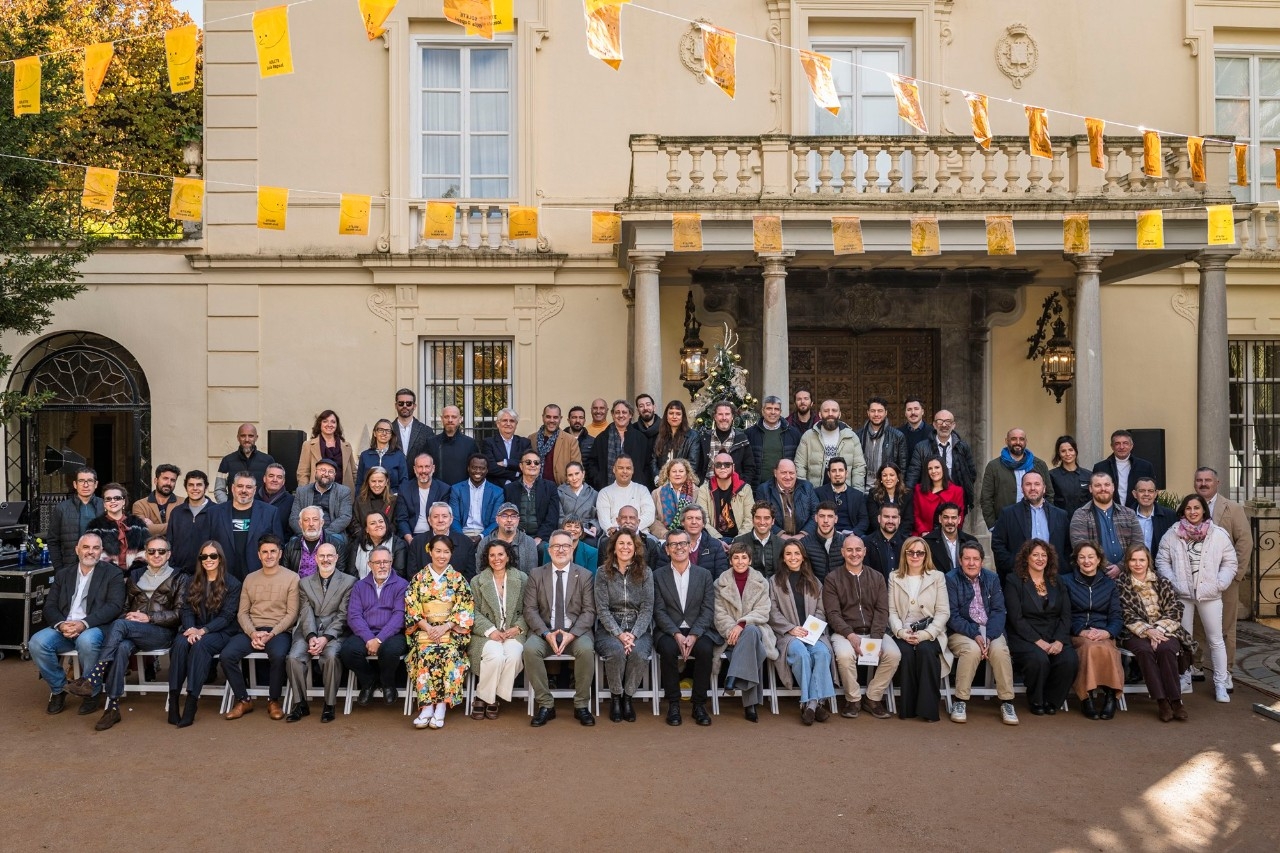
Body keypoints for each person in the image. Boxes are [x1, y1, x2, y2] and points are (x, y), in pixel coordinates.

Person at [66, 536, 185, 730]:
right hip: (133, 631)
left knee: (120, 625)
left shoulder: (180, 577)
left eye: (161, 551)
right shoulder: (136, 576)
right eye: (152, 551)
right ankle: (112, 707)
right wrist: (130, 617)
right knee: (121, 646)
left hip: (162, 633)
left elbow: (180, 613)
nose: (156, 555)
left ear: (168, 554)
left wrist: (149, 617)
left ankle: (94, 675)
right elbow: (123, 608)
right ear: (145, 554)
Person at [30, 534, 126, 715]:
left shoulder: (113, 573)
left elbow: (114, 606)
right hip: (64, 628)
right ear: (77, 550)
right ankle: (59, 689)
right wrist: (60, 625)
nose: (90, 552)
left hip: (95, 628)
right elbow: (49, 605)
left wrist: (84, 623)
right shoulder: (63, 574)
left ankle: (92, 692)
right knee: (37, 642)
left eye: (95, 548)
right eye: (86, 547)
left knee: (87, 641)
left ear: (101, 551)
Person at [1156, 494, 1236, 703]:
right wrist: (1173, 583)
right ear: (1183, 511)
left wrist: (1219, 583)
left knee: (1216, 640)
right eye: (1189, 508)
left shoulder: (1218, 534)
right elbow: (1162, 561)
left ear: (1203, 511)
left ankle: (1220, 684)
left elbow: (1230, 562)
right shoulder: (1172, 534)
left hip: (1210, 595)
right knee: (1184, 640)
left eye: (1197, 508)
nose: (1193, 512)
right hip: (1182, 595)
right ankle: (1184, 678)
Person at [523, 529, 598, 727]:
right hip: (545, 631)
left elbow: (589, 611)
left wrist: (571, 634)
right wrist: (546, 633)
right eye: (556, 546)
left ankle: (581, 705)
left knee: (586, 649)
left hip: (574, 632)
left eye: (566, 545)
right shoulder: (536, 574)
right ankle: (546, 704)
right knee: (530, 649)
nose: (561, 550)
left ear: (572, 548)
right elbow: (530, 610)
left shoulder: (584, 575)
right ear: (549, 550)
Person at [221, 535, 300, 721]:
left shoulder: (292, 578)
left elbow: (292, 614)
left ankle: (273, 700)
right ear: (258, 555)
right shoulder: (250, 578)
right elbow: (242, 613)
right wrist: (253, 633)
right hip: (253, 630)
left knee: (279, 655)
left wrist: (271, 633)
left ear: (280, 554)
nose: (269, 555)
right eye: (265, 552)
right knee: (227, 656)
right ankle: (244, 699)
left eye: (273, 551)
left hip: (278, 630)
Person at [823, 535, 898, 720]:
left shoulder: (877, 577)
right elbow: (833, 614)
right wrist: (850, 635)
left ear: (864, 552)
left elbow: (882, 611)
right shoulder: (832, 578)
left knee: (894, 654)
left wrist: (876, 639)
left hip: (874, 632)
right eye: (849, 550)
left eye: (858, 550)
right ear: (842, 552)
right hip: (844, 633)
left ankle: (873, 698)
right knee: (844, 655)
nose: (854, 554)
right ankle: (853, 699)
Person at [1117, 544, 1194, 722]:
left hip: (1165, 629)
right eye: (1133, 560)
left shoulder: (1161, 581)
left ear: (1148, 561)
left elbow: (1175, 608)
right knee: (1144, 651)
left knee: (1165, 649)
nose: (1137, 564)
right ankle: (1162, 702)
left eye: (1142, 560)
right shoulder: (1121, 584)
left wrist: (1158, 630)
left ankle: (1176, 701)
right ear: (1127, 562)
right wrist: (1147, 631)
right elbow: (1124, 613)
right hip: (1134, 632)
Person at [169, 540, 242, 727]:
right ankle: (174, 699)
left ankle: (192, 702)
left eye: (213, 556)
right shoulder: (193, 580)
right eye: (204, 556)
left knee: (201, 645)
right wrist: (191, 629)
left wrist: (203, 630)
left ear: (220, 558)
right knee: (179, 643)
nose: (208, 559)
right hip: (195, 628)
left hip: (221, 632)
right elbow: (186, 609)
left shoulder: (232, 583)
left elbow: (227, 616)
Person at [945, 541, 1019, 726]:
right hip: (962, 631)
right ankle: (960, 701)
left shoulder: (992, 578)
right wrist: (976, 634)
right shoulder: (950, 579)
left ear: (982, 561)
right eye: (967, 559)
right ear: (960, 561)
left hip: (990, 631)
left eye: (975, 559)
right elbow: (952, 615)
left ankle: (1007, 702)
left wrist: (988, 636)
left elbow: (999, 611)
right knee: (971, 650)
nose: (971, 563)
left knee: (1001, 651)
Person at [405, 534, 474, 729]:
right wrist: (428, 628)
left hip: (451, 631)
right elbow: (412, 606)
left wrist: (445, 627)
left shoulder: (458, 579)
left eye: (446, 552)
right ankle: (426, 706)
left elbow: (465, 607)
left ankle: (442, 706)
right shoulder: (419, 578)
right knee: (423, 653)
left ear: (451, 554)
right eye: (438, 551)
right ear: (430, 551)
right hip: (424, 629)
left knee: (449, 654)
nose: (441, 556)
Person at [652, 530, 720, 726]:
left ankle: (699, 704)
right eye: (673, 544)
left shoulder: (704, 575)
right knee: (667, 649)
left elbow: (708, 609)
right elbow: (659, 610)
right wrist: (675, 633)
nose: (679, 547)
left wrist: (694, 635)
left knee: (706, 649)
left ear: (690, 546)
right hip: (669, 630)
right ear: (667, 550)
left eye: (683, 543)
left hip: (697, 630)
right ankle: (673, 703)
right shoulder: (657, 576)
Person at [1004, 539, 1078, 715]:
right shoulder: (1013, 580)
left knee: (1069, 661)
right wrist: (1038, 641)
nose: (1040, 559)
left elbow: (1066, 615)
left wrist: (1060, 640)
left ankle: (1052, 700)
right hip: (1025, 636)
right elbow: (1016, 618)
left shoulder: (1057, 581)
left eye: (1044, 555)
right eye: (1035, 554)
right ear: (1026, 558)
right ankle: (1036, 700)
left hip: (1055, 633)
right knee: (1039, 660)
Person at [1194, 466, 1253, 684]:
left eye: (1208, 480)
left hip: (1226, 580)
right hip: (1196, 580)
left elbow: (1245, 542)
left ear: (1217, 483)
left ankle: (1226, 671)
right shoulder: (1190, 507)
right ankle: (1195, 664)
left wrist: (1235, 575)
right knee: (1196, 625)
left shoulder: (1233, 508)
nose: (1203, 484)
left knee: (1226, 627)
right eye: (1199, 480)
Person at [285, 541, 355, 723]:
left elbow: (343, 614)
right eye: (322, 556)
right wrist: (311, 637)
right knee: (293, 658)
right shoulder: (305, 583)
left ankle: (329, 704)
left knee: (331, 657)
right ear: (315, 558)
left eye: (330, 555)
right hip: (309, 631)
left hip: (335, 633)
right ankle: (300, 704)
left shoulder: (349, 581)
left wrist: (325, 638)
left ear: (337, 558)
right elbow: (305, 612)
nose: (326, 559)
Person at [768, 541, 836, 724]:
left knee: (822, 653)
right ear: (783, 558)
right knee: (801, 654)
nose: (793, 557)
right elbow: (772, 611)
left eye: (796, 553)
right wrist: (791, 628)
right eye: (788, 554)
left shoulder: (814, 581)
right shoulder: (774, 582)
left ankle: (810, 704)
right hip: (787, 635)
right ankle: (815, 703)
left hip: (813, 633)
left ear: (803, 556)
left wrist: (811, 629)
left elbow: (822, 610)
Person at [887, 536, 950, 722]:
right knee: (905, 653)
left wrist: (925, 634)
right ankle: (907, 709)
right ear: (904, 554)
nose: (915, 556)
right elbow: (891, 612)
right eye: (911, 552)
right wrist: (900, 632)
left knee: (926, 651)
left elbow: (943, 612)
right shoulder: (894, 577)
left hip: (931, 631)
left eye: (919, 552)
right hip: (903, 631)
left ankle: (928, 710)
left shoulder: (937, 577)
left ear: (925, 555)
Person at [593, 530, 654, 723]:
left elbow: (647, 608)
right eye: (621, 543)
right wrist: (620, 634)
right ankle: (616, 697)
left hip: (638, 626)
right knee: (616, 650)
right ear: (614, 547)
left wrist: (633, 635)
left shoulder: (645, 572)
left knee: (638, 652)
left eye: (629, 544)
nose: (625, 547)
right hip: (610, 626)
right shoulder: (603, 573)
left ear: (636, 549)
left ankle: (628, 698)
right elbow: (602, 609)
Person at [338, 547, 410, 708]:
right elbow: (354, 616)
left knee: (389, 651)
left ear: (391, 563)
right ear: (370, 564)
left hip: (393, 634)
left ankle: (387, 683)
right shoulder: (360, 586)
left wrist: (379, 639)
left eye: (386, 562)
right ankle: (368, 680)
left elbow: (399, 616)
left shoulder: (402, 585)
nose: (382, 565)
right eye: (378, 562)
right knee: (347, 651)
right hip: (366, 633)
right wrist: (369, 638)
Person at [1062, 541, 1125, 720]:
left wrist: (1107, 632)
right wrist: (1081, 631)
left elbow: (1116, 616)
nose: (1086, 561)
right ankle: (1086, 697)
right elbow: (1064, 614)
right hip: (1077, 633)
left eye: (1091, 557)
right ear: (1076, 560)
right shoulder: (1066, 581)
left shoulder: (1109, 584)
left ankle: (1111, 696)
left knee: (1105, 647)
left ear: (1099, 560)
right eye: (1082, 557)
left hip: (1103, 632)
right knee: (1089, 648)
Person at [713, 542, 776, 721]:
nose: (740, 561)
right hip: (728, 634)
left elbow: (764, 610)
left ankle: (733, 676)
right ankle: (750, 706)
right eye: (736, 557)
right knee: (751, 643)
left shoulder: (761, 582)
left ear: (750, 560)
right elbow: (719, 613)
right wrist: (732, 629)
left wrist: (742, 624)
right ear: (730, 560)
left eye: (744, 557)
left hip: (755, 628)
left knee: (752, 632)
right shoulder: (719, 583)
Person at [468, 540, 529, 720]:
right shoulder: (477, 581)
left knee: (515, 654)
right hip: (485, 635)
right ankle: (490, 698)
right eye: (492, 555)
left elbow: (530, 609)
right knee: (495, 656)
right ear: (487, 558)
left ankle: (487, 695)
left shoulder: (522, 578)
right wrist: (491, 631)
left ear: (508, 556)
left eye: (500, 554)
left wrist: (517, 628)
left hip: (514, 633)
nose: (497, 559)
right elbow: (472, 611)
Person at [991, 471, 1071, 582]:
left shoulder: (1060, 515)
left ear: (1044, 488)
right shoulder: (1008, 514)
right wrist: (1014, 565)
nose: (1033, 488)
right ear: (1022, 488)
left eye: (1037, 484)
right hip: (1020, 578)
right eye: (1028, 484)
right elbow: (997, 543)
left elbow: (1068, 546)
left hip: (1053, 577)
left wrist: (1063, 566)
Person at [209, 471, 286, 581]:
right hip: (222, 576)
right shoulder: (214, 513)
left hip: (259, 577)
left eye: (249, 487)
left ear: (254, 490)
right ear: (232, 488)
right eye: (240, 486)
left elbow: (279, 546)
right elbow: (207, 545)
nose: (244, 490)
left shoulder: (270, 512)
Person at [1069, 472, 1143, 576]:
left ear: (1113, 487)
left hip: (1128, 574)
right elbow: (1080, 546)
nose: (1103, 489)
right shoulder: (1080, 515)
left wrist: (1121, 566)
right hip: (1095, 576)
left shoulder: (1129, 513)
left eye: (1107, 485)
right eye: (1098, 485)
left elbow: (1138, 543)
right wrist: (1106, 567)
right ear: (1090, 488)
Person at [979, 428, 1054, 530]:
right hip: (1005, 523)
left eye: (1021, 439)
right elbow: (986, 498)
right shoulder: (994, 466)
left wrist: (1046, 518)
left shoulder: (1039, 465)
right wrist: (993, 525)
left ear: (1026, 442)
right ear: (1007, 441)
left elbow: (1049, 494)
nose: (1018, 442)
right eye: (1013, 439)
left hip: (1035, 521)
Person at [906, 410, 977, 511]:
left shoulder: (963, 447)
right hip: (929, 499)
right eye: (940, 421)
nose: (944, 425)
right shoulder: (921, 447)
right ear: (934, 425)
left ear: (953, 425)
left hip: (955, 499)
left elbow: (971, 474)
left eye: (948, 421)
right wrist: (908, 499)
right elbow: (913, 475)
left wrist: (962, 493)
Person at [794, 399, 866, 488]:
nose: (830, 414)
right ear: (820, 414)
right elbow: (800, 466)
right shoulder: (808, 436)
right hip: (815, 491)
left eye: (834, 411)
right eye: (826, 411)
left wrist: (856, 493)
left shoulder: (851, 437)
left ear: (839, 414)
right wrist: (804, 491)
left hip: (844, 491)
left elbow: (858, 467)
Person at [590, 398, 655, 490]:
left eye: (624, 412)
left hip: (634, 490)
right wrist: (598, 479)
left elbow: (647, 465)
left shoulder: (641, 438)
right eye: (617, 412)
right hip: (607, 488)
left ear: (630, 415)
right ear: (612, 415)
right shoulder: (601, 438)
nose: (621, 415)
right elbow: (592, 463)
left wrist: (642, 480)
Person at [48, 467, 105, 570]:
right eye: (81, 481)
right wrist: (59, 568)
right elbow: (53, 541)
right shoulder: (62, 508)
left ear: (96, 484)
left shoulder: (104, 506)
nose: (85, 485)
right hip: (70, 566)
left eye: (90, 481)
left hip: (101, 566)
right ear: (75, 484)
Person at [86, 483, 150, 572]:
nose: (113, 501)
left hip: (137, 575)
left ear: (123, 501)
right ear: (104, 504)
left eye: (117, 498)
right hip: (107, 575)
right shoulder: (95, 526)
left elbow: (146, 550)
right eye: (108, 499)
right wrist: (117, 574)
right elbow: (95, 553)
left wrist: (134, 572)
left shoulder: (138, 524)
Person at [505, 448, 560, 546]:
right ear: (521, 466)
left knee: (543, 549)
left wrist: (540, 537)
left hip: (542, 538)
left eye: (536, 463)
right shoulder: (509, 489)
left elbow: (552, 517)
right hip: (515, 536)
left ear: (540, 467)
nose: (532, 465)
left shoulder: (550, 487)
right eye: (528, 462)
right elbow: (506, 517)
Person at [696, 451, 754, 541]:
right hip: (713, 538)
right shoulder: (704, 489)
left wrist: (737, 541)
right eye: (718, 465)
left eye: (727, 464)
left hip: (740, 538)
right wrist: (717, 540)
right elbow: (703, 519)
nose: (723, 467)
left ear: (733, 467)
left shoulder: (745, 489)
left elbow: (749, 520)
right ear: (713, 468)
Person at [756, 459, 819, 541]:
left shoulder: (807, 487)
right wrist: (781, 535)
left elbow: (817, 513)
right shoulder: (764, 490)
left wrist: (802, 534)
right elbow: (762, 518)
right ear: (775, 473)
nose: (788, 477)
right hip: (775, 540)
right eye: (783, 473)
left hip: (805, 539)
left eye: (791, 473)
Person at [408, 502, 475, 578]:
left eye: (444, 516)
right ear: (429, 520)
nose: (440, 520)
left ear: (451, 519)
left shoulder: (465, 542)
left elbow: (470, 575)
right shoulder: (417, 542)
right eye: (436, 516)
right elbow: (412, 574)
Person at [290, 457, 354, 537]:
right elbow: (294, 517)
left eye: (330, 472)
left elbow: (345, 517)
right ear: (315, 472)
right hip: (306, 532)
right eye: (323, 470)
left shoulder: (343, 491)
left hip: (333, 533)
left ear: (334, 475)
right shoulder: (302, 491)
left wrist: (323, 535)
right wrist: (305, 534)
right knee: (292, 545)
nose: (326, 474)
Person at [745, 396, 802, 486]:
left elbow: (799, 462)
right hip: (758, 487)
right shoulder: (750, 434)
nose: (773, 412)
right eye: (769, 408)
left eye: (776, 409)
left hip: (786, 487)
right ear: (762, 411)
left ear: (780, 412)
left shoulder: (793, 433)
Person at [1093, 429, 1155, 510]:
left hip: (1137, 512)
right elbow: (1095, 493)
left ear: (1131, 446)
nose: (1121, 447)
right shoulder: (1101, 467)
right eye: (1117, 444)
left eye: (1125, 443)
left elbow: (1152, 491)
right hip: (1109, 511)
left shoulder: (1145, 467)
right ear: (1112, 446)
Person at [696, 400, 755, 484]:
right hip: (707, 488)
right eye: (720, 414)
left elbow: (749, 468)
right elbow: (697, 467)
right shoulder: (704, 438)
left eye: (727, 414)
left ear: (732, 417)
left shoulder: (741, 439)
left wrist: (740, 487)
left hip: (733, 490)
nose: (724, 418)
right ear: (715, 417)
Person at [395, 452, 451, 541]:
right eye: (420, 467)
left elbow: (443, 518)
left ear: (433, 468)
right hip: (411, 535)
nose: (423, 471)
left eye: (427, 466)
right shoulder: (404, 489)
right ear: (414, 469)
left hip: (434, 535)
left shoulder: (443, 489)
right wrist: (409, 539)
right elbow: (402, 519)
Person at [596, 455, 656, 536]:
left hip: (640, 533)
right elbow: (604, 520)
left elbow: (649, 515)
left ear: (632, 470)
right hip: (613, 535)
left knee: (654, 544)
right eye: (621, 468)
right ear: (614, 469)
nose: (625, 471)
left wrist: (633, 529)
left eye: (628, 468)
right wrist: (617, 531)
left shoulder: (642, 490)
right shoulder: (604, 493)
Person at [855, 397, 907, 491]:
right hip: (863, 487)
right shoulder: (858, 435)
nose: (876, 414)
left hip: (888, 487)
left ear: (885, 413)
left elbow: (902, 467)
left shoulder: (897, 436)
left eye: (880, 411)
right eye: (873, 411)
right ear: (868, 413)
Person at [214, 423, 275, 503]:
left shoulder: (268, 460)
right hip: (233, 512)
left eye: (250, 436)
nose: (247, 439)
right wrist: (227, 508)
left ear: (256, 438)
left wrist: (266, 508)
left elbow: (275, 488)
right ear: (238, 438)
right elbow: (219, 489)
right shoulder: (227, 461)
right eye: (243, 436)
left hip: (260, 512)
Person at [168, 470, 214, 574]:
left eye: (199, 485)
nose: (195, 488)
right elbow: (169, 542)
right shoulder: (177, 512)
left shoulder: (216, 511)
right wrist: (172, 567)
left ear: (205, 487)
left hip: (208, 572)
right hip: (179, 572)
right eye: (191, 485)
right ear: (186, 488)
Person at [448, 453, 503, 539]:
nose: (478, 471)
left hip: (487, 534)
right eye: (474, 467)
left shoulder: (497, 492)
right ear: (468, 468)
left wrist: (481, 536)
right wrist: (463, 538)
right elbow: (454, 519)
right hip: (462, 533)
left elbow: (496, 521)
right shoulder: (456, 489)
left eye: (482, 468)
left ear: (487, 470)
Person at [283, 505, 349, 577]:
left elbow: (339, 576)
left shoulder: (337, 545)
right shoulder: (290, 546)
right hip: (297, 586)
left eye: (315, 519)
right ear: (300, 524)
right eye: (306, 520)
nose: (311, 524)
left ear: (322, 522)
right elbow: (285, 575)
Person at [475, 503, 539, 576]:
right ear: (497, 519)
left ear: (518, 520)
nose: (509, 520)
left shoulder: (529, 542)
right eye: (504, 516)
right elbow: (480, 573)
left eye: (513, 516)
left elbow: (532, 574)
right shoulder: (485, 543)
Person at [297, 409, 356, 488]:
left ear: (337, 425)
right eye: (325, 421)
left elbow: (354, 472)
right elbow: (303, 473)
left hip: (343, 494)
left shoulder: (347, 446)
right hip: (317, 494)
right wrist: (305, 493)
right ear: (320, 424)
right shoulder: (308, 445)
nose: (329, 424)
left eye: (333, 422)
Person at [911, 457, 966, 536]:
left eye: (937, 467)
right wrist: (923, 531)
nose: (933, 471)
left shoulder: (957, 491)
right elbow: (915, 515)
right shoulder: (918, 490)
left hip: (949, 535)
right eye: (930, 468)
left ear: (943, 468)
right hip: (923, 536)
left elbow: (959, 516)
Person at [814, 458, 870, 535]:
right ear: (828, 474)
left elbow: (864, 520)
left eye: (841, 470)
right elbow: (814, 517)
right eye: (834, 471)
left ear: (846, 473)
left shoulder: (858, 495)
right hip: (827, 535)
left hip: (852, 535)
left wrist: (854, 533)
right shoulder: (818, 493)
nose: (837, 474)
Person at [530, 403, 582, 486]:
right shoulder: (531, 439)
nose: (552, 420)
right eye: (548, 417)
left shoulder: (570, 441)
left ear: (560, 419)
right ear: (543, 417)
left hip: (561, 490)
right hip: (535, 488)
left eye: (555, 417)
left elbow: (577, 470)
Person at [344, 511, 407, 579]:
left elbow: (399, 573)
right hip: (361, 587)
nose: (378, 525)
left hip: (391, 587)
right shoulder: (357, 544)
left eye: (381, 522)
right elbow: (351, 572)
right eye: (373, 523)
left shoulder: (398, 544)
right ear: (367, 529)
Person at [427, 405, 479, 487]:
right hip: (438, 492)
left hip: (461, 493)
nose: (450, 420)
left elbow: (475, 470)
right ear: (441, 419)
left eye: (454, 417)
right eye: (446, 417)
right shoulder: (431, 443)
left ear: (460, 419)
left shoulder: (470, 443)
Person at [483, 408, 533, 488]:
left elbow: (527, 464)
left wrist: (506, 462)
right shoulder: (488, 443)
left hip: (519, 488)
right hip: (495, 488)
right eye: (504, 420)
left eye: (512, 421)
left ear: (516, 424)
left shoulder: (525, 443)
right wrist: (515, 473)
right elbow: (490, 468)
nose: (508, 424)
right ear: (498, 424)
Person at [650, 458, 699, 539]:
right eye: (674, 471)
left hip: (690, 537)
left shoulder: (696, 492)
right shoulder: (657, 493)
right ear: (668, 474)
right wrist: (666, 534)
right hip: (664, 537)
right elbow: (653, 519)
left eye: (681, 471)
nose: (677, 474)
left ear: (687, 474)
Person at [922, 502, 978, 573]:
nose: (950, 522)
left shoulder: (971, 540)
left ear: (959, 520)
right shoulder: (928, 542)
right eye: (946, 517)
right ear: (940, 519)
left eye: (953, 518)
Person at [733, 501, 784, 577]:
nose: (762, 522)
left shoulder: (782, 544)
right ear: (752, 520)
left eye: (766, 518)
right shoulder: (739, 541)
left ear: (773, 521)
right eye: (758, 518)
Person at [355, 418, 408, 492]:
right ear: (374, 433)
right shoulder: (365, 456)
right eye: (380, 430)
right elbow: (359, 483)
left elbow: (404, 482)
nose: (384, 433)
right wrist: (359, 500)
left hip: (392, 499)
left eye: (388, 431)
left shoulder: (399, 456)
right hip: (368, 500)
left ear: (391, 435)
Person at [653, 399, 704, 475]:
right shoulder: (659, 435)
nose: (674, 416)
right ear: (666, 416)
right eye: (671, 413)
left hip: (683, 481)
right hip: (662, 482)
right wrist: (658, 479)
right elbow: (653, 460)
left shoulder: (693, 436)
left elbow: (693, 464)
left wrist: (678, 480)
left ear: (682, 417)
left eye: (678, 414)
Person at [1049, 435, 1092, 518]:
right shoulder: (1052, 475)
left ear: (1076, 451)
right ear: (1059, 453)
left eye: (1070, 450)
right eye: (1063, 451)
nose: (1068, 454)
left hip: (1083, 522)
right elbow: (1049, 501)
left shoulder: (1088, 475)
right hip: (1060, 521)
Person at [132, 463, 181, 536]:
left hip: (176, 546)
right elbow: (143, 529)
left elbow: (187, 527)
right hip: (151, 547)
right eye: (165, 478)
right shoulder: (140, 505)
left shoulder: (183, 503)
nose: (169, 483)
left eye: (173, 480)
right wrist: (176, 525)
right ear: (155, 481)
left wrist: (153, 527)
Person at [557, 461, 600, 542]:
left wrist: (594, 526)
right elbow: (559, 516)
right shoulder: (560, 493)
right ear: (566, 477)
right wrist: (569, 529)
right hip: (565, 532)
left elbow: (597, 518)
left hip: (586, 532)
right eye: (570, 475)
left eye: (577, 473)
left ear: (583, 474)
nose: (574, 478)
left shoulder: (594, 494)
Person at [802, 502, 845, 582]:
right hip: (814, 591)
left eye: (830, 516)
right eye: (822, 516)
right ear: (816, 518)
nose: (825, 520)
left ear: (836, 519)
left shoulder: (845, 542)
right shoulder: (804, 543)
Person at [865, 463, 914, 533]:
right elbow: (874, 521)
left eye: (892, 475)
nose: (888, 478)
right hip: (879, 535)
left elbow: (908, 521)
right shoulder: (873, 494)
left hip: (901, 537)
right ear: (881, 478)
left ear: (898, 477)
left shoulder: (907, 494)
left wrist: (896, 538)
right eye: (884, 475)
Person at [863, 504, 907, 581]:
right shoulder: (866, 543)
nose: (890, 521)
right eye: (886, 517)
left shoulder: (907, 544)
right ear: (879, 519)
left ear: (899, 520)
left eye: (894, 517)